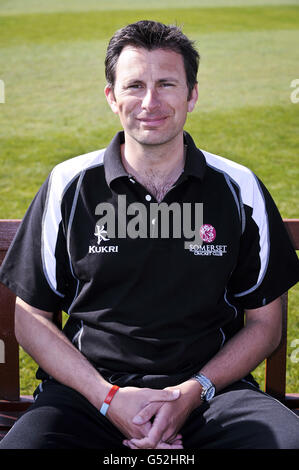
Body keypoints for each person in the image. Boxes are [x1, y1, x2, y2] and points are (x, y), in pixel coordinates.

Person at [0, 20, 298, 450]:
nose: (150, 102)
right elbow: (31, 319)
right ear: (111, 97)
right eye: (135, 85)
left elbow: (265, 324)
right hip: (88, 397)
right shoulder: (69, 185)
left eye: (167, 84)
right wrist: (109, 399)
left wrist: (188, 393)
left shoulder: (239, 187)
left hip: (211, 395)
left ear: (192, 95)